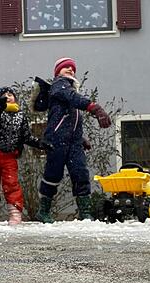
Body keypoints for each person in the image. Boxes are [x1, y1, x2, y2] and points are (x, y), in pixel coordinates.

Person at [35, 57, 112, 223]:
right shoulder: (59, 85)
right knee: (53, 175)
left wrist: (80, 138)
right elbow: (71, 98)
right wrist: (94, 107)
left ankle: (85, 213)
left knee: (80, 174)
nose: (70, 70)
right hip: (56, 140)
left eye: (72, 68)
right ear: (58, 72)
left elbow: (70, 120)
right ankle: (43, 211)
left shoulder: (70, 90)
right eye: (65, 67)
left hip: (73, 142)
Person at [0, 86, 52, 226]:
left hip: (10, 155)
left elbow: (26, 136)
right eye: (3, 95)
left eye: (10, 94)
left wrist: (41, 144)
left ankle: (15, 214)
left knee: (11, 184)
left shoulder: (21, 116)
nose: (7, 97)